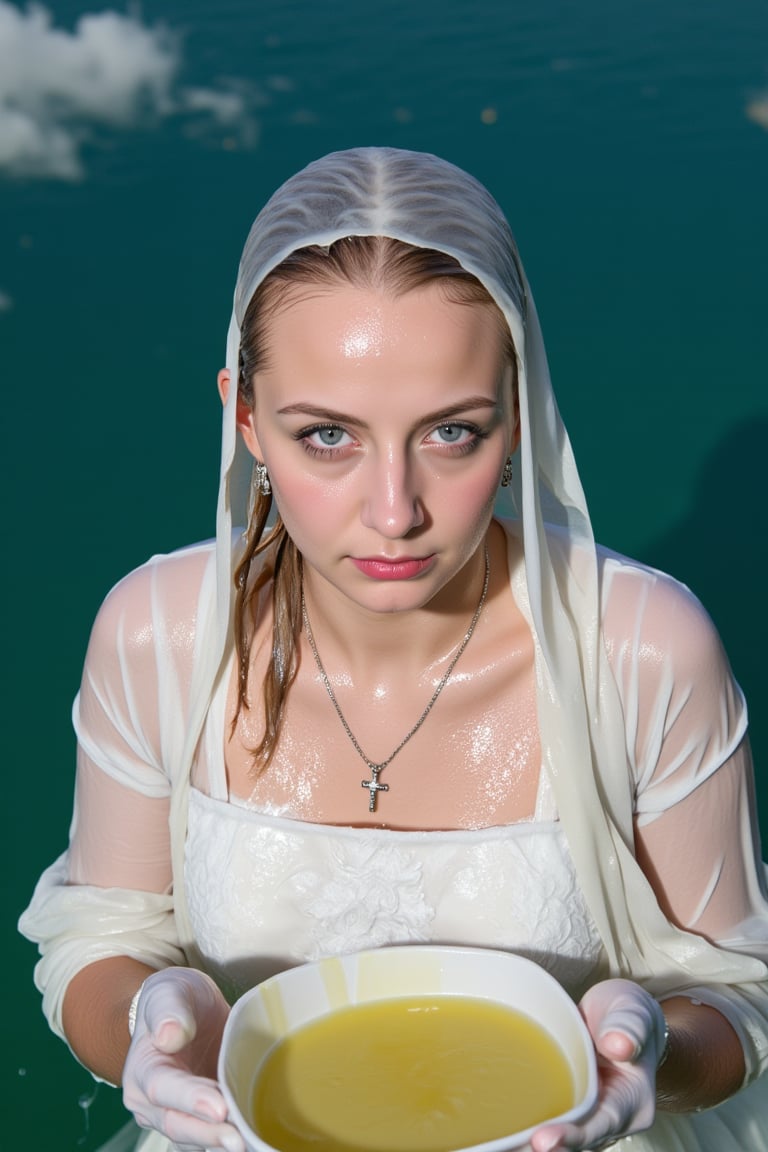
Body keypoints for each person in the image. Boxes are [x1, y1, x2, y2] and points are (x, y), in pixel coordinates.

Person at [19, 146, 768, 1152]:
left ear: (518, 419)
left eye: (452, 433)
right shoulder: (155, 634)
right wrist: (149, 1040)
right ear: (243, 415)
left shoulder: (644, 652)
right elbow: (99, 944)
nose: (393, 512)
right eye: (326, 435)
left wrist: (652, 1058)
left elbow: (738, 994)